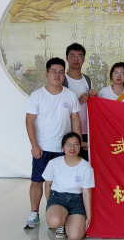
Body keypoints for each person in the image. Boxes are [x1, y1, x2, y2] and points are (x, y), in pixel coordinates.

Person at [24, 57, 82, 229]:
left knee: (61, 184)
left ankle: (58, 214)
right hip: (43, 148)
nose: (57, 75)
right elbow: (29, 121)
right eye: (54, 72)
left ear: (64, 75)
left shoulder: (70, 95)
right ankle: (34, 213)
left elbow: (75, 120)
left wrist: (77, 143)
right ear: (46, 74)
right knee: (37, 181)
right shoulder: (37, 96)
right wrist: (34, 145)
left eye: (61, 72)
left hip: (64, 149)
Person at [43, 132, 95, 240]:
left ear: (80, 147)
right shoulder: (54, 163)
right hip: (57, 198)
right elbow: (47, 186)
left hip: (77, 201)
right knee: (54, 221)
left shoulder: (86, 167)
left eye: (76, 144)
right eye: (68, 144)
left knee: (75, 236)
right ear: (63, 147)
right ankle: (61, 223)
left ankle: (67, 221)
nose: (72, 148)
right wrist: (50, 206)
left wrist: (89, 216)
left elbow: (86, 194)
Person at [62, 43, 96, 161]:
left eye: (79, 56)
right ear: (67, 58)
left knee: (87, 163)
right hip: (70, 131)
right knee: (72, 163)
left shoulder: (87, 79)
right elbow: (60, 106)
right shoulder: (63, 80)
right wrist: (78, 101)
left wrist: (94, 95)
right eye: (72, 56)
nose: (76, 59)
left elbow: (93, 102)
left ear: (84, 59)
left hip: (88, 130)